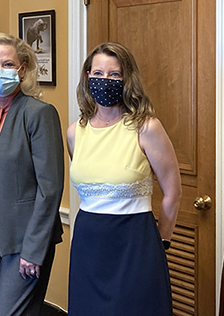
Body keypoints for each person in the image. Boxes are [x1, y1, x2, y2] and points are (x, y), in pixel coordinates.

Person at [67, 42, 182, 315]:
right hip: (87, 245)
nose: (104, 81)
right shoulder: (74, 132)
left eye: (114, 75)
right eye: (97, 73)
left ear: (127, 79)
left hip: (135, 245)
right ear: (87, 77)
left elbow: (173, 192)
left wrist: (161, 241)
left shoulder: (146, 128)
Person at [0, 33, 65, 316]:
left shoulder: (39, 114)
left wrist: (34, 249)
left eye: (8, 64)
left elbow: (50, 188)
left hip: (24, 236)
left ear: (23, 69)